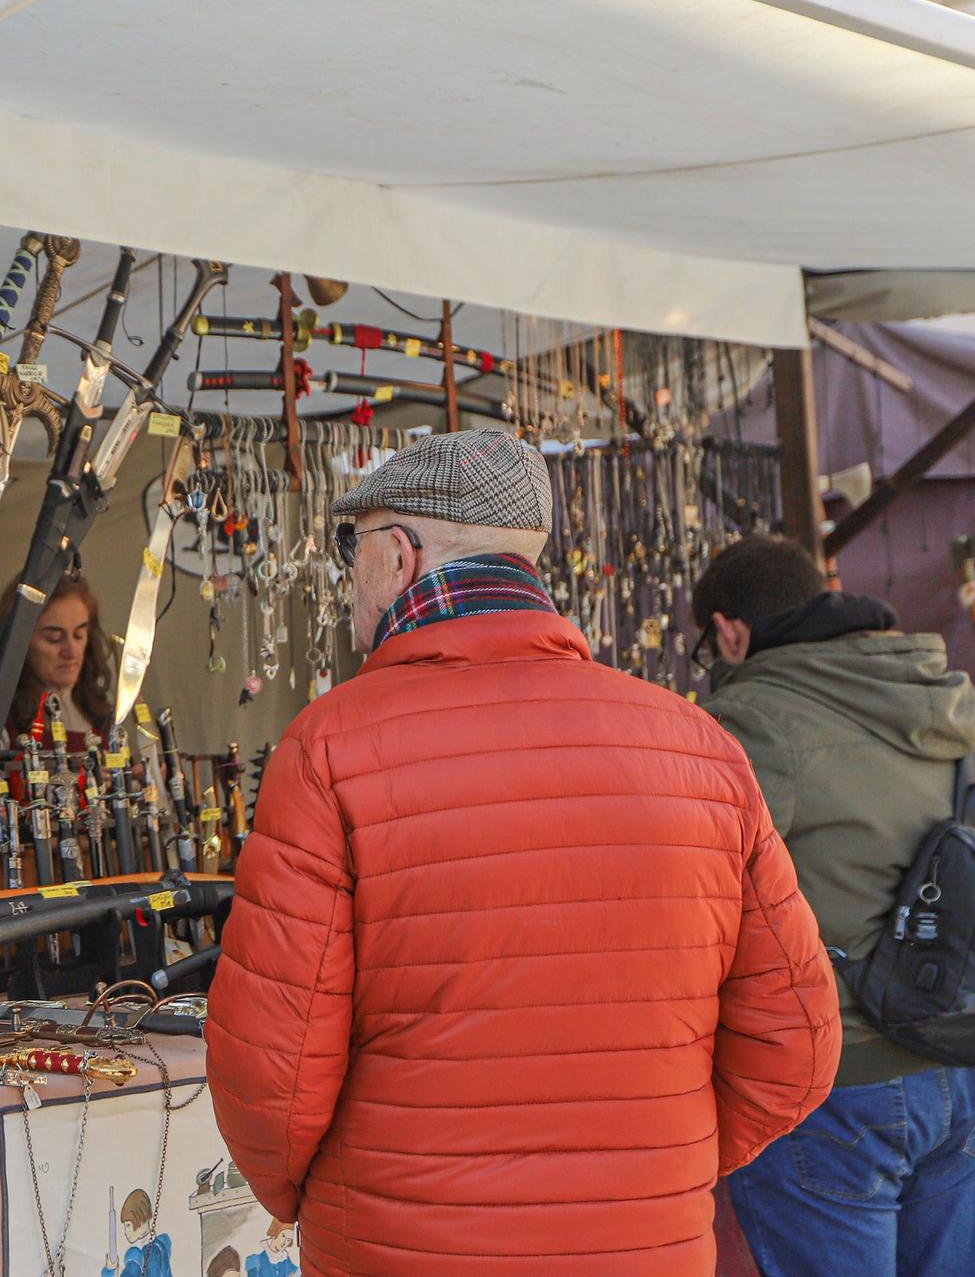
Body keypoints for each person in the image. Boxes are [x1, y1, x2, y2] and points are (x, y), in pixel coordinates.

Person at [205, 428, 840, 1275]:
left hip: (408, 1248)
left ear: (399, 556)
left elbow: (271, 1080)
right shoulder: (698, 748)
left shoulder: (328, 749)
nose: (349, 580)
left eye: (353, 551)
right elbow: (798, 1046)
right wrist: (650, 1171)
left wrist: (321, 1195)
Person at [694, 535, 975, 1276]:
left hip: (832, 1087)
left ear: (729, 630)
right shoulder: (944, 696)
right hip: (962, 1071)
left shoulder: (751, 723)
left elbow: (693, 894)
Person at [0, 568, 115, 740]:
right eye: (54, 638)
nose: (71, 651)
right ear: (20, 642)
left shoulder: (98, 714)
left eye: (79, 635)